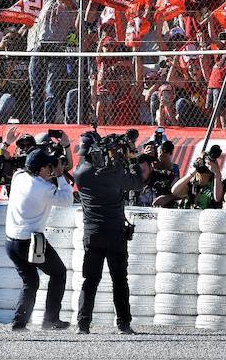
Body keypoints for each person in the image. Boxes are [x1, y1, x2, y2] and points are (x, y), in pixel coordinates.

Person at [73, 131, 144, 334]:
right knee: (119, 279)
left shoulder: (80, 173)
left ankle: (83, 324)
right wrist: (131, 159)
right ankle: (123, 324)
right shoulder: (113, 172)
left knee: (91, 280)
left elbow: (94, 169)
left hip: (92, 233)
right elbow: (137, 183)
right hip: (115, 232)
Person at [4, 146, 74, 331]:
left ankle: (19, 323)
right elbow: (67, 200)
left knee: (31, 282)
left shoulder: (19, 177)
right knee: (58, 273)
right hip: (29, 241)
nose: (51, 168)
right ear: (41, 169)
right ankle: (50, 320)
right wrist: (60, 175)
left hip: (11, 241)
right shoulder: (44, 187)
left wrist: (53, 173)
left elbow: (37, 179)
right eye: (48, 166)